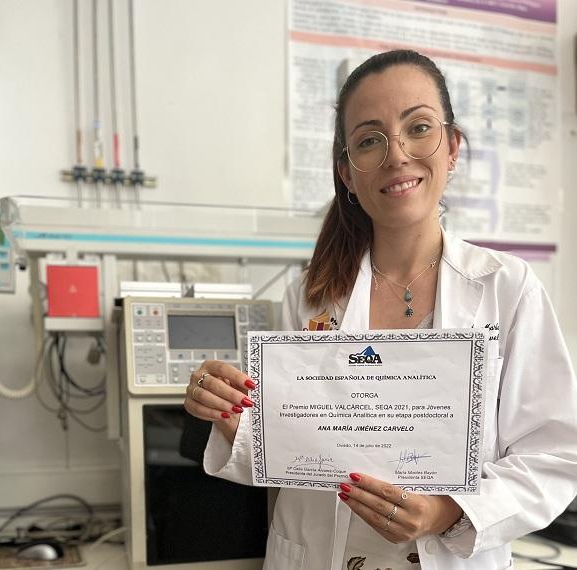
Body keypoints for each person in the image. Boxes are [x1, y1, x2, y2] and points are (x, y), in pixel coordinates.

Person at [183, 49, 577, 570]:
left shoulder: (507, 288)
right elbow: (288, 452)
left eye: (418, 127)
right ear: (347, 173)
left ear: (452, 148)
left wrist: (449, 512)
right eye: (370, 139)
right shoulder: (311, 297)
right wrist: (229, 415)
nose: (396, 155)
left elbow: (555, 456)